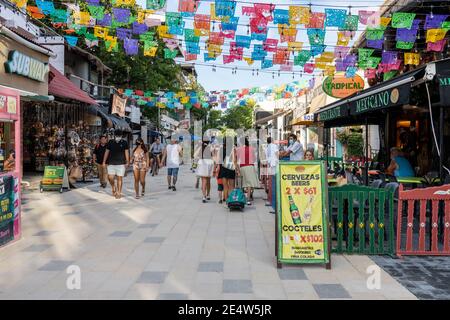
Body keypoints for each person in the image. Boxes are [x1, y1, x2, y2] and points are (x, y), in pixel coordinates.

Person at [102, 130, 130, 199]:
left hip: (121, 164)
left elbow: (126, 152)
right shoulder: (110, 142)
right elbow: (106, 152)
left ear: (121, 136)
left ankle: (119, 192)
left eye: (119, 136)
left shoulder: (124, 143)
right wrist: (104, 161)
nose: (118, 137)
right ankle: (113, 186)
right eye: (117, 136)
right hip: (111, 163)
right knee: (110, 177)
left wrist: (127, 161)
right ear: (115, 136)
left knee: (119, 178)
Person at [236, 137, 259, 206]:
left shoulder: (238, 149)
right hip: (250, 167)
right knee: (249, 184)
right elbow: (254, 159)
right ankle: (248, 199)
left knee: (243, 183)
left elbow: (237, 159)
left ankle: (242, 198)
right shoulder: (252, 149)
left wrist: (237, 169)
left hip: (242, 167)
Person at [218, 138, 237, 206]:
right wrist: (237, 169)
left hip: (223, 169)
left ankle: (226, 202)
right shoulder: (233, 149)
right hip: (231, 169)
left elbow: (219, 160)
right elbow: (234, 160)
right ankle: (231, 201)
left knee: (225, 187)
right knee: (231, 187)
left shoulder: (221, 149)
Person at [264, 137, 279, 211]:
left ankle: (271, 200)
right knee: (275, 183)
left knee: (271, 183)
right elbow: (277, 154)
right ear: (272, 141)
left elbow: (267, 158)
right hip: (275, 165)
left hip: (270, 166)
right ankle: (275, 201)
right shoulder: (274, 146)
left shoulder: (267, 148)